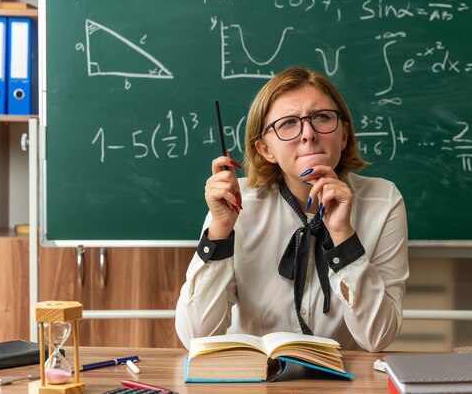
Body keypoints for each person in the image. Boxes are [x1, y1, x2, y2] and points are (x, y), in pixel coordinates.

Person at [175, 67, 409, 352]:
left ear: (344, 134)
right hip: (256, 379)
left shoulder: (383, 201)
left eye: (322, 117)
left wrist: (344, 238)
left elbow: (377, 338)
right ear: (265, 149)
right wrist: (220, 231)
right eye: (288, 124)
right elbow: (197, 336)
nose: (308, 134)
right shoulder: (236, 201)